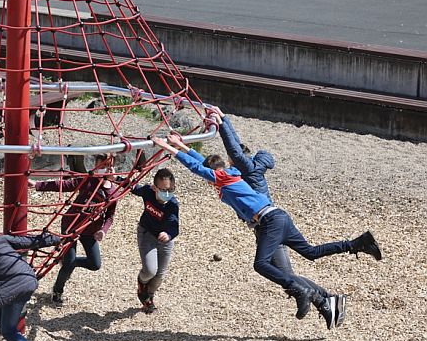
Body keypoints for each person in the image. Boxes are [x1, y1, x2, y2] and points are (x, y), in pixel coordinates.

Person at [152, 134, 382, 329]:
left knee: (262, 265)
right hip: (277, 218)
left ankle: (309, 295)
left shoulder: (223, 177)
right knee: (309, 253)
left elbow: (196, 168)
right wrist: (180, 144)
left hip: (269, 223)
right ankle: (357, 244)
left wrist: (168, 147)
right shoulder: (229, 175)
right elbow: (201, 163)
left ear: (215, 171)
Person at [212, 107, 341, 322]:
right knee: (286, 274)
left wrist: (221, 124)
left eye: (232, 161)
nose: (230, 163)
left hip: (270, 225)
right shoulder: (250, 168)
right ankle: (326, 300)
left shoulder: (246, 170)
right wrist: (223, 119)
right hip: (269, 225)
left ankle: (326, 300)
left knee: (284, 274)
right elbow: (237, 144)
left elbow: (233, 149)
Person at [27, 154, 120, 305]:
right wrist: (38, 185)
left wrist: (103, 230)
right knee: (68, 262)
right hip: (71, 225)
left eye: (107, 166)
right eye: (100, 166)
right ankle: (58, 290)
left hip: (90, 230)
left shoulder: (113, 192)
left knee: (95, 264)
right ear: (95, 166)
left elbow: (110, 215)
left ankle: (68, 261)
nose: (104, 170)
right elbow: (64, 185)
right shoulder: (88, 180)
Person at [130, 168, 179, 314]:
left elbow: (175, 226)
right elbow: (133, 187)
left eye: (170, 189)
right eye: (163, 190)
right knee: (150, 270)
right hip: (147, 233)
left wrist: (168, 234)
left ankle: (148, 298)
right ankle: (142, 284)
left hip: (165, 239)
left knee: (160, 274)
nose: (167, 193)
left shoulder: (172, 204)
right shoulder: (148, 192)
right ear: (154, 188)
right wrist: (116, 179)